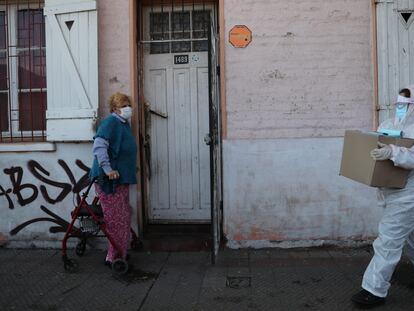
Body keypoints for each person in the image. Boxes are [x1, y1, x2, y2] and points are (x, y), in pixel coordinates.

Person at [351, 87, 414, 308]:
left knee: (389, 240)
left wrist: (393, 153)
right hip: (391, 190)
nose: (401, 107)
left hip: (408, 194)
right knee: (409, 238)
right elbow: (378, 139)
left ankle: (374, 290)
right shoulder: (389, 123)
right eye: (400, 103)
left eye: (406, 103)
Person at [89, 92, 137, 267]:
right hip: (109, 179)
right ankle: (113, 257)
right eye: (123, 105)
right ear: (114, 108)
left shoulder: (123, 124)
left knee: (123, 216)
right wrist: (108, 169)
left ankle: (121, 252)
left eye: (128, 104)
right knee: (115, 218)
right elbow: (99, 146)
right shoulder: (110, 123)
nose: (127, 108)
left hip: (120, 179)